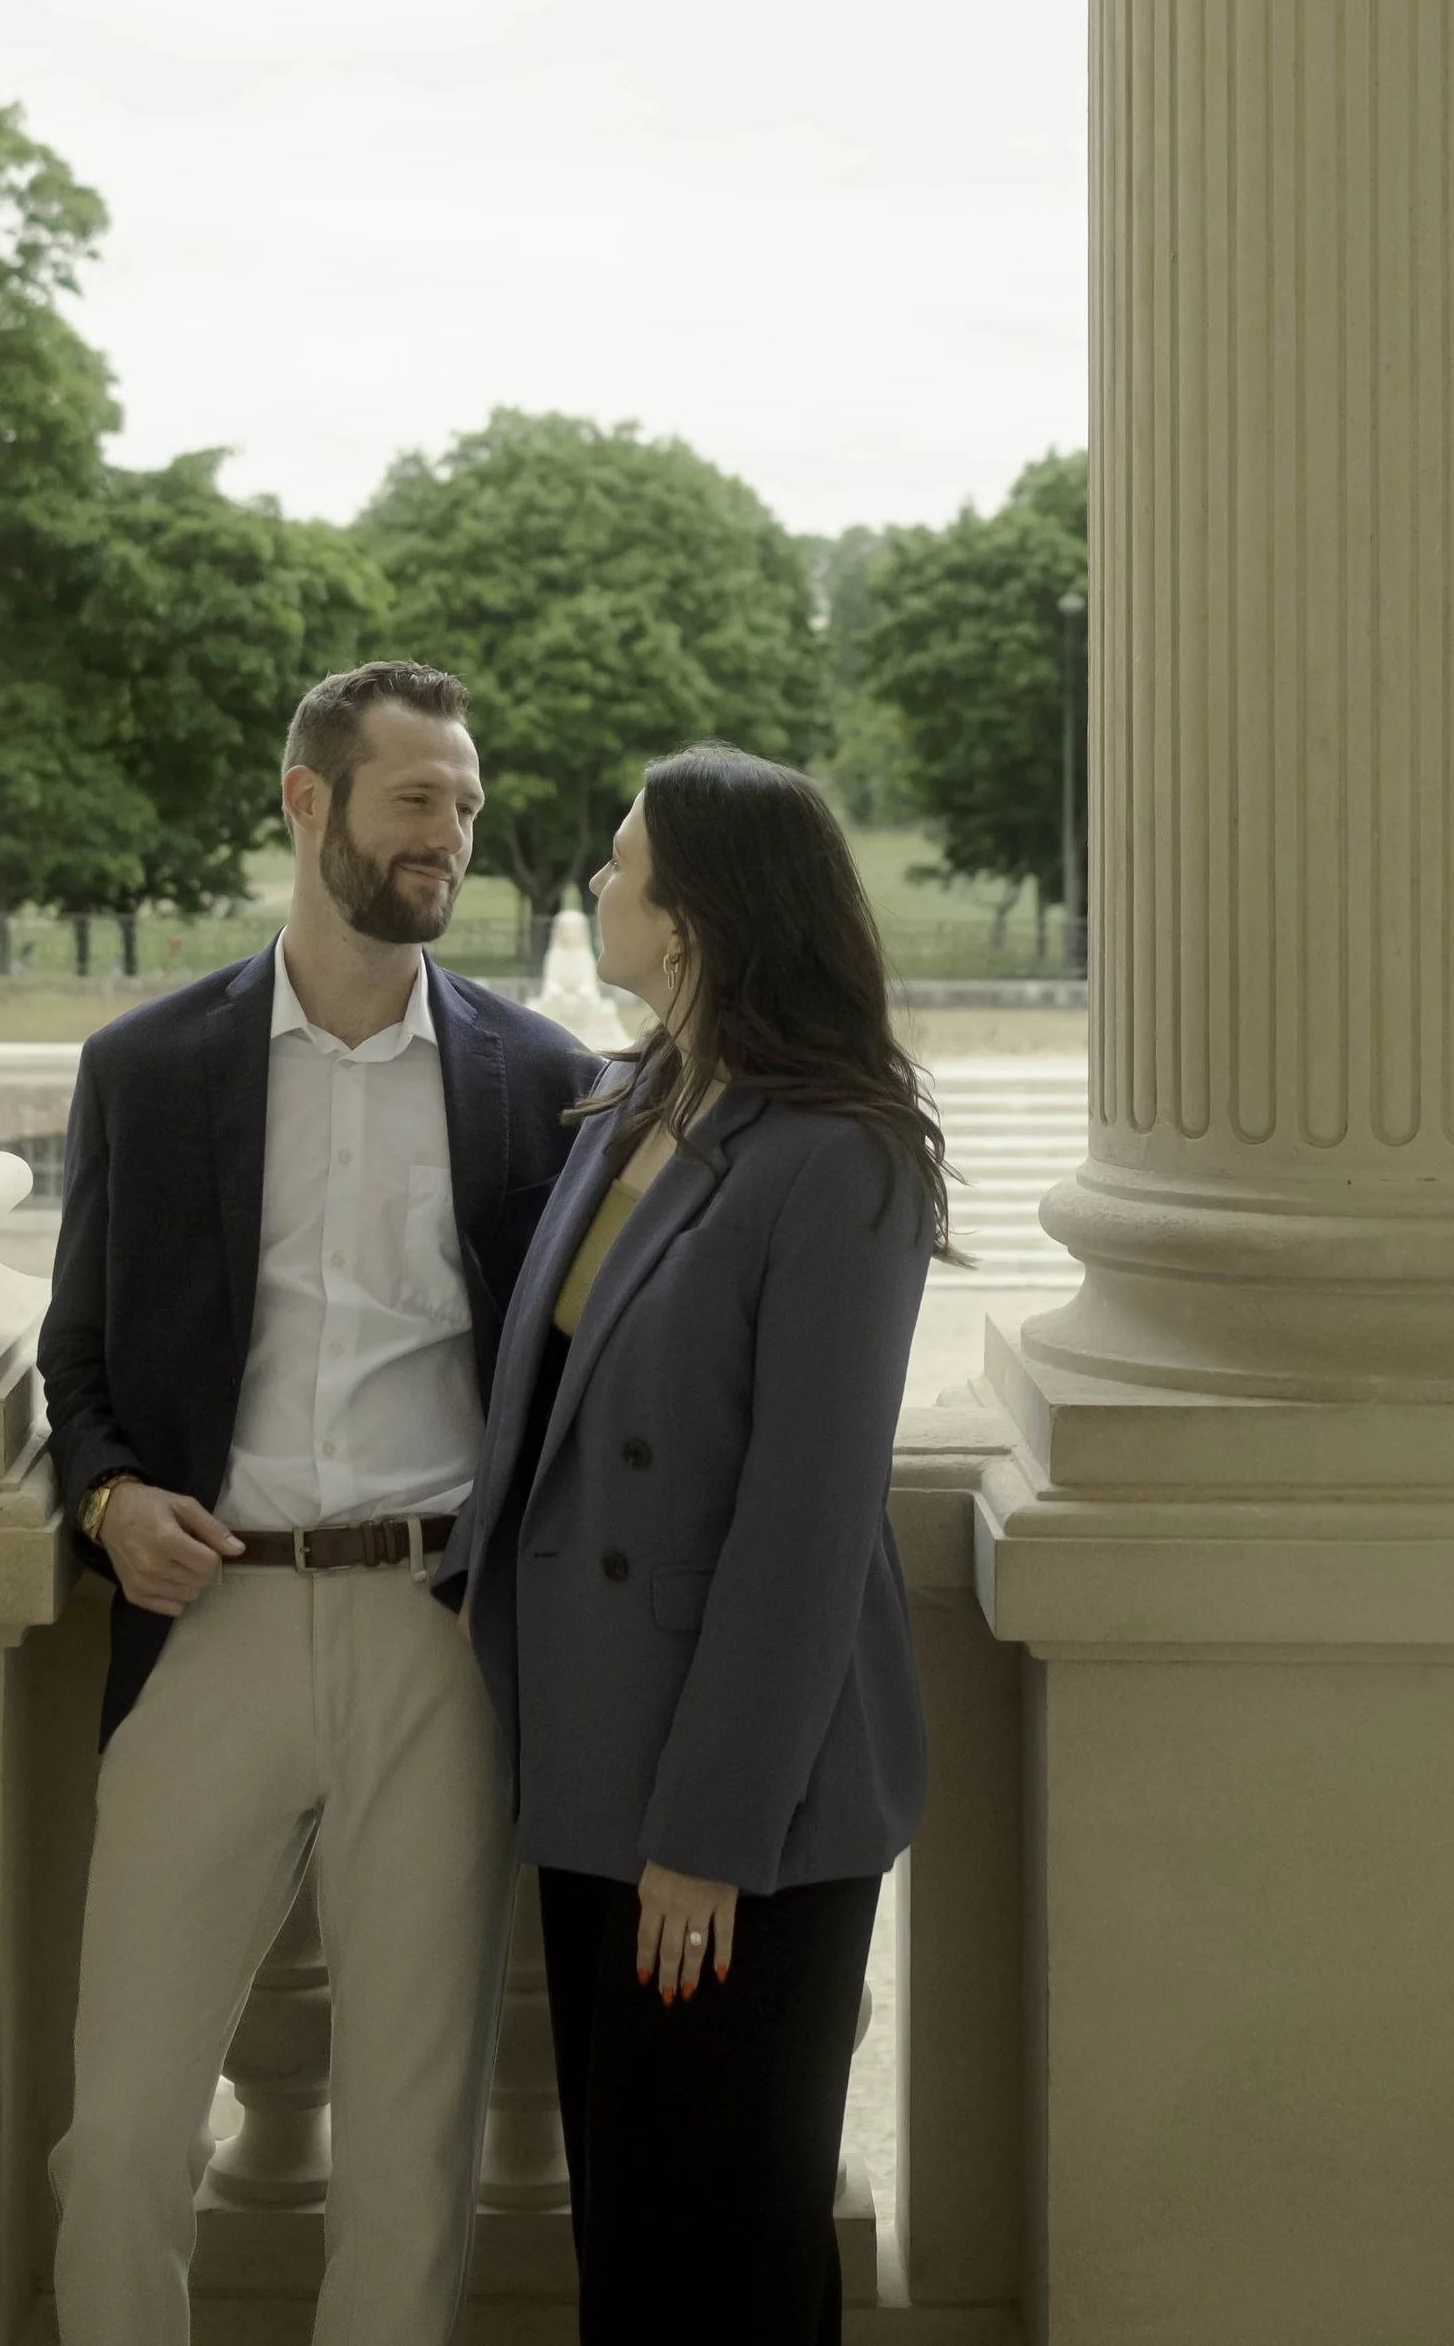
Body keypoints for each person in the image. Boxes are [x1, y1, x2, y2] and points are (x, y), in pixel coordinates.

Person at [39, 660, 597, 2346]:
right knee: (125, 2133)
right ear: (310, 803)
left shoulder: (538, 1072)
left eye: (468, 805)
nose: (452, 835)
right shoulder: (145, 1067)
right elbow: (73, 1363)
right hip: (206, 1627)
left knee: (412, 2156)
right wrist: (109, 1496)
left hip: (437, 1637)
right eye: (417, 797)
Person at [450, 746, 946, 2346]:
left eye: (623, 865)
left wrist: (712, 1830)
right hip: (599, 1764)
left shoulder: (841, 1155)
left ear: (701, 917)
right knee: (642, 2243)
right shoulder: (638, 1100)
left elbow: (804, 1522)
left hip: (744, 1811)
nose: (598, 885)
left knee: (717, 2251)